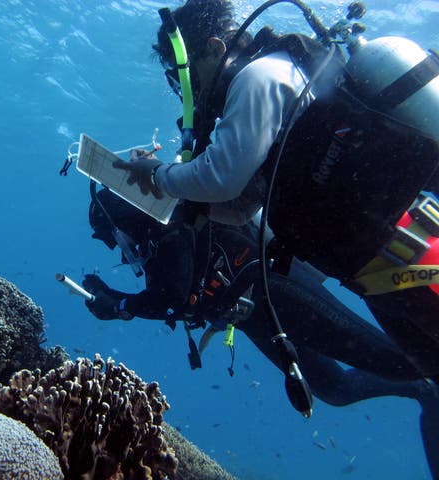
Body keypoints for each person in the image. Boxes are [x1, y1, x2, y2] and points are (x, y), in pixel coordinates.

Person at [112, 0, 439, 391]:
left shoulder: (258, 77)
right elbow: (242, 205)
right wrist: (178, 198)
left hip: (407, 249)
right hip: (375, 266)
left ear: (215, 48)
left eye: (179, 74)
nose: (184, 89)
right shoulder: (273, 76)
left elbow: (222, 178)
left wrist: (161, 176)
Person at [83, 186, 439, 477]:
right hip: (252, 316)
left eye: (109, 237)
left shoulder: (166, 225)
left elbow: (173, 297)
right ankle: (419, 388)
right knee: (333, 387)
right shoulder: (151, 239)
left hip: (278, 290)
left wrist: (119, 305)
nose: (115, 247)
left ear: (118, 218)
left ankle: (425, 377)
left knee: (385, 356)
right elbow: (169, 293)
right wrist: (113, 297)